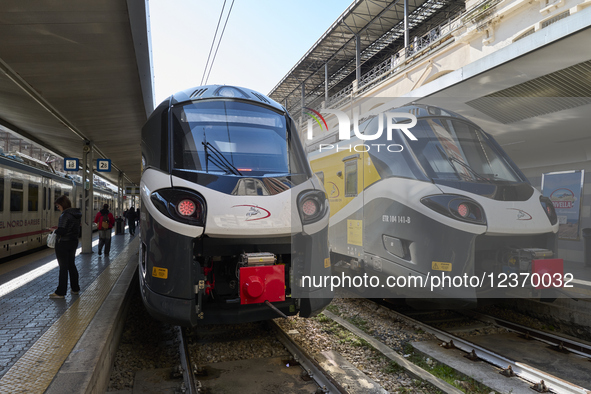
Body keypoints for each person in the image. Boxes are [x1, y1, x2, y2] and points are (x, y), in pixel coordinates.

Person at [49, 195, 82, 299]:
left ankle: (60, 292)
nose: (58, 208)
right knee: (71, 265)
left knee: (63, 268)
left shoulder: (64, 215)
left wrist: (54, 230)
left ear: (62, 205)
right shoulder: (76, 214)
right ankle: (75, 289)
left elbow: (63, 231)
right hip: (73, 242)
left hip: (63, 244)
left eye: (58, 206)